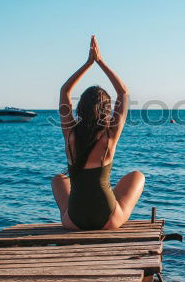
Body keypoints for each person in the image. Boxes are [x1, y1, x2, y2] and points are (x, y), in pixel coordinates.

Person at [51, 36, 145, 230]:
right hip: (107, 221)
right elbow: (123, 93)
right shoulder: (110, 135)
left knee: (58, 179)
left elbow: (64, 91)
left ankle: (68, 215)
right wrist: (100, 61)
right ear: (107, 109)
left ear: (80, 108)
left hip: (73, 222)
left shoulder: (70, 134)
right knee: (138, 176)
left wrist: (88, 64)